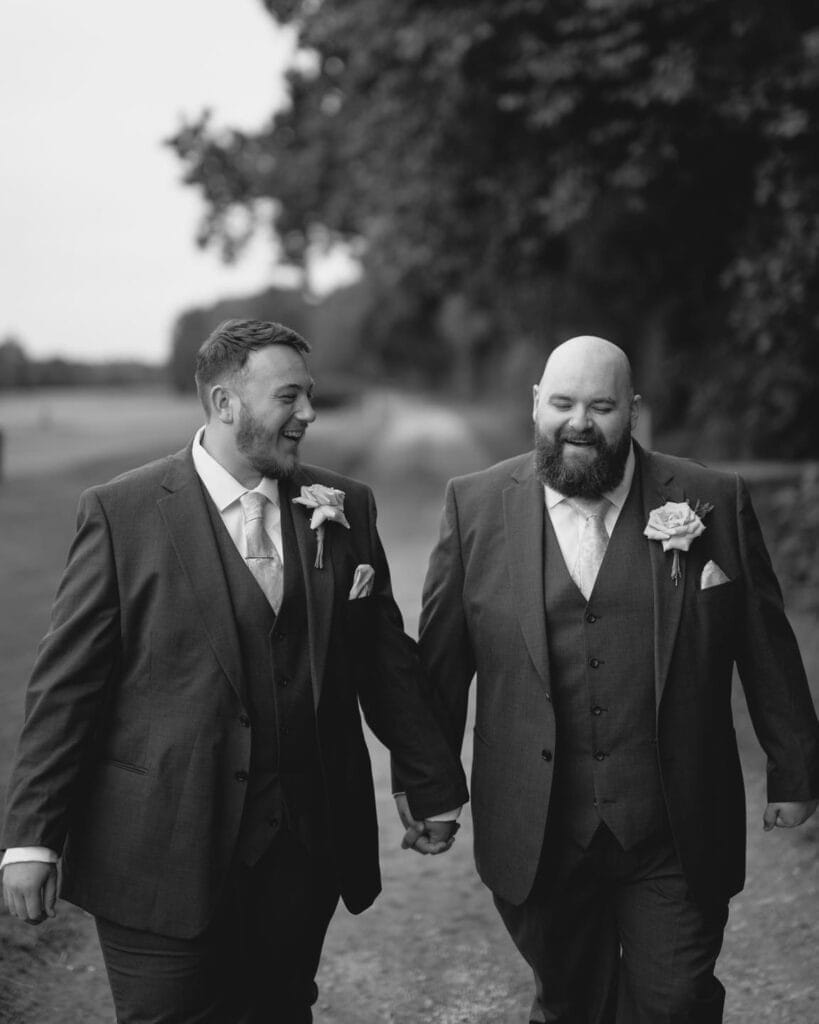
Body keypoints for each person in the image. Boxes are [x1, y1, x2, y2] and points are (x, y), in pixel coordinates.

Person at [1, 318, 468, 1024]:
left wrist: (431, 780)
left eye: (308, 396)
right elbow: (68, 686)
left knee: (279, 1011)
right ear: (225, 405)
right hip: (157, 851)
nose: (307, 413)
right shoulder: (122, 513)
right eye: (289, 398)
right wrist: (32, 836)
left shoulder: (344, 507)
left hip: (300, 848)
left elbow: (381, 658)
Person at [414, 335, 819, 1022]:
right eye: (563, 403)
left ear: (630, 410)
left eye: (600, 406)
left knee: (677, 1001)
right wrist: (429, 784)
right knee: (573, 1003)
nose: (579, 423)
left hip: (675, 822)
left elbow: (763, 641)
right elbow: (442, 664)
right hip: (538, 831)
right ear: (535, 404)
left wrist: (795, 767)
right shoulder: (474, 506)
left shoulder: (709, 500)